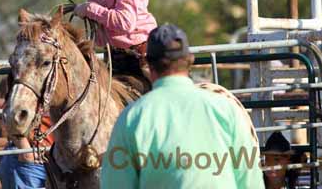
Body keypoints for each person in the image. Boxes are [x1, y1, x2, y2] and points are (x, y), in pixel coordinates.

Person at [101, 24, 264, 189]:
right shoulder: (225, 109)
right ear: (189, 60)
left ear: (149, 64)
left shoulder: (132, 118)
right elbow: (250, 181)